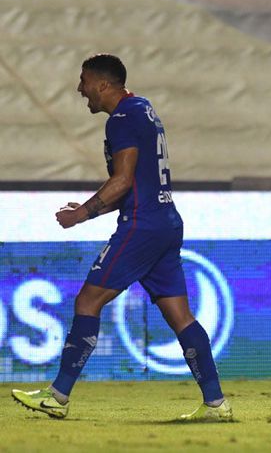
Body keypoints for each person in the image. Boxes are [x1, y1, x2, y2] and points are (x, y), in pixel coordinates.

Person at [11, 54, 232, 421]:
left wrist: (81, 213)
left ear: (102, 84)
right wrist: (93, 208)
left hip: (142, 225)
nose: (80, 89)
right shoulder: (142, 108)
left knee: (88, 301)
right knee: (181, 316)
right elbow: (135, 182)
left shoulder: (122, 119)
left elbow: (123, 180)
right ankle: (216, 403)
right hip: (165, 221)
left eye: (84, 81)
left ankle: (58, 396)